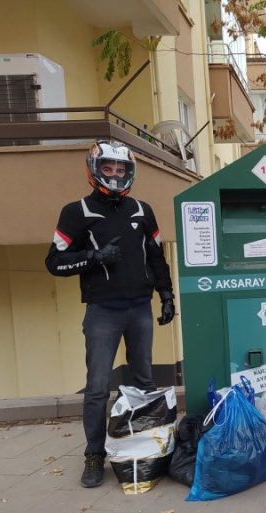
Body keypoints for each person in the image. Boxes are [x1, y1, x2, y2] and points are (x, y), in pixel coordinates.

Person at [45, 140, 175, 488]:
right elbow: (53, 263)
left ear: (129, 171)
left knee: (144, 382)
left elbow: (156, 257)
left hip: (139, 309)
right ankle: (93, 455)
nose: (115, 175)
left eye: (121, 169)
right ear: (95, 169)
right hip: (102, 311)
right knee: (98, 388)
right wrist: (94, 257)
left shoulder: (142, 210)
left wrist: (166, 294)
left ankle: (146, 448)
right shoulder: (76, 212)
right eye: (108, 168)